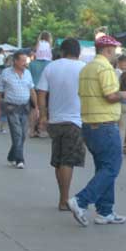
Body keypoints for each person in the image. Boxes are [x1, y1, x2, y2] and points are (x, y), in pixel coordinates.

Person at [67, 35, 126, 226]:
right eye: (115, 51)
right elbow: (110, 95)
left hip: (89, 125)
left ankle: (106, 211)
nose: (116, 55)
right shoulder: (105, 68)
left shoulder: (86, 68)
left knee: (104, 168)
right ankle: (81, 201)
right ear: (108, 50)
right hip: (105, 125)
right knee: (112, 167)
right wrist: (123, 94)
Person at [37, 38, 88, 210]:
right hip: (75, 121)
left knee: (58, 160)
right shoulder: (83, 68)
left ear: (62, 51)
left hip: (55, 120)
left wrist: (43, 115)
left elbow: (41, 93)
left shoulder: (51, 67)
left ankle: (62, 197)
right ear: (78, 51)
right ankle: (64, 200)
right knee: (67, 161)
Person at [0, 50, 36, 168]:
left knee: (23, 135)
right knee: (17, 134)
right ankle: (19, 159)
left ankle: (12, 155)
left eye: (25, 61)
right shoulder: (6, 73)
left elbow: (32, 91)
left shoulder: (28, 73)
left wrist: (36, 108)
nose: (25, 63)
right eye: (22, 61)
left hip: (25, 108)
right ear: (15, 61)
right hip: (11, 108)